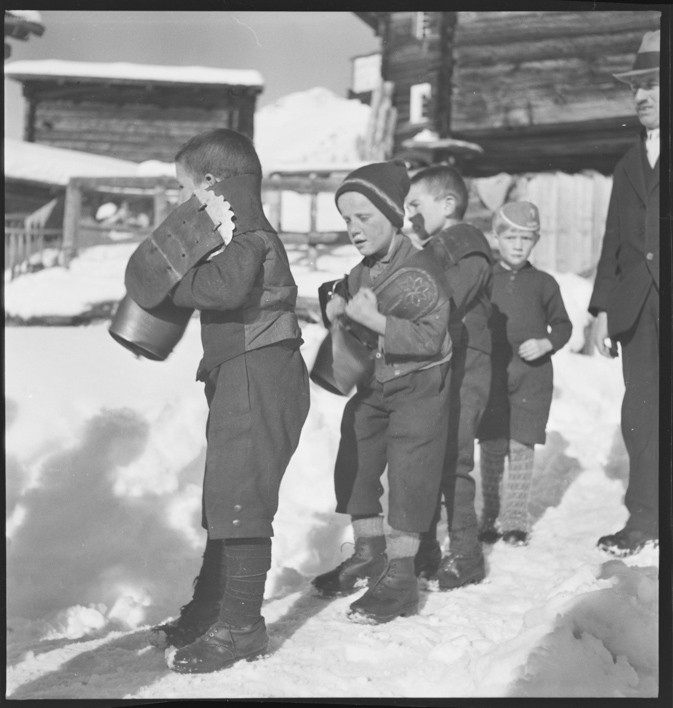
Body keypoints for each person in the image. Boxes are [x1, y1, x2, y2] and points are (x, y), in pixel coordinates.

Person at [148, 128, 310, 673]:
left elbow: (221, 288)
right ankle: (212, 608)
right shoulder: (238, 236)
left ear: (215, 186)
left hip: (257, 373)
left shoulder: (250, 236)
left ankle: (241, 627)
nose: (185, 206)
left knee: (241, 497)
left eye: (189, 192)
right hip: (244, 373)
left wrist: (169, 280)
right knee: (227, 496)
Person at [311, 160, 453, 624]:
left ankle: (401, 577)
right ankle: (368, 550)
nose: (353, 229)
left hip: (419, 385)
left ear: (394, 216)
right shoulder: (363, 270)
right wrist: (334, 308)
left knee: (412, 475)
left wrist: (377, 322)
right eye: (347, 220)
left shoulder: (424, 269)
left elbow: (431, 336)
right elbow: (348, 297)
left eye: (364, 218)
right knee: (355, 456)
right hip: (375, 385)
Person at [404, 166, 494, 590]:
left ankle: (467, 555)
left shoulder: (467, 244)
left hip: (467, 359)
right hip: (442, 357)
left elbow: (446, 299)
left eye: (415, 205)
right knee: (431, 450)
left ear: (448, 204)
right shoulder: (439, 245)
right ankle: (426, 550)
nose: (409, 217)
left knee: (455, 455)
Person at [589, 30, 660, 556]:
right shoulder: (626, 164)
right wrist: (600, 310)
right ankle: (645, 519)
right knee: (641, 414)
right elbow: (614, 241)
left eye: (654, 83)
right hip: (637, 305)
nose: (642, 96)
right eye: (637, 86)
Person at [477, 202, 572, 545]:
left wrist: (546, 343)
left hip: (532, 377)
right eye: (511, 236)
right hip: (492, 375)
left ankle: (515, 520)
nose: (518, 245)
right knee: (491, 445)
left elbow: (563, 325)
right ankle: (488, 516)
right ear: (495, 237)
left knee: (521, 447)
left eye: (526, 238)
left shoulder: (544, 283)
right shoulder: (485, 280)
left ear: (537, 240)